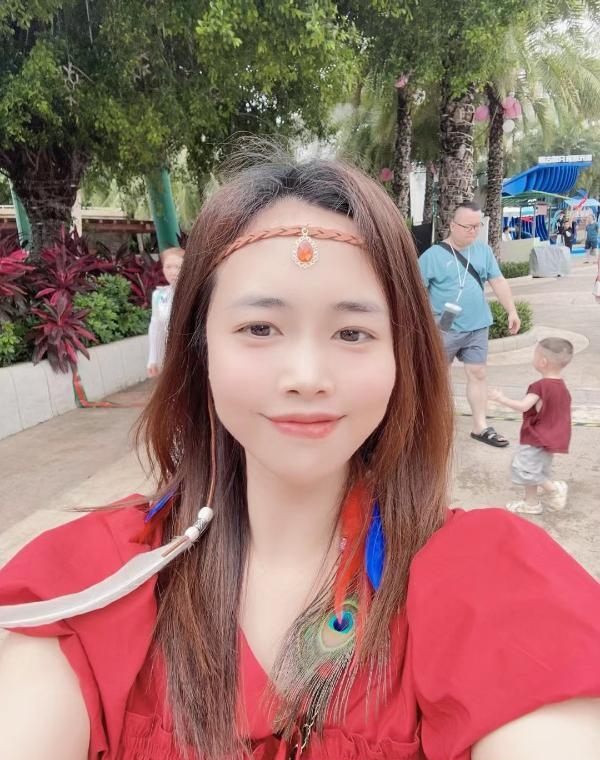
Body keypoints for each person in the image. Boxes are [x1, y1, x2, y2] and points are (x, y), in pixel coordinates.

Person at [1, 150, 600, 760]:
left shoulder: (488, 583)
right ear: (199, 349)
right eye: (260, 328)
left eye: (352, 333)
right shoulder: (93, 584)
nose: (307, 377)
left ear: (402, 355)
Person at [419, 201, 521, 447]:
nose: (474, 232)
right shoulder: (432, 256)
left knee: (478, 373)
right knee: (437, 378)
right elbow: (416, 293)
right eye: (468, 226)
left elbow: (498, 281)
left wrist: (511, 310)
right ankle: (430, 426)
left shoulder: (483, 251)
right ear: (453, 225)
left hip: (477, 325)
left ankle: (480, 426)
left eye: (478, 226)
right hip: (443, 329)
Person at [488, 338, 573, 515]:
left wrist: (500, 398)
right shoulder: (562, 386)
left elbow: (523, 406)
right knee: (537, 469)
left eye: (535, 354)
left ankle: (554, 489)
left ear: (543, 362)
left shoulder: (540, 386)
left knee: (524, 468)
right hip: (550, 438)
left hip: (536, 437)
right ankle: (531, 504)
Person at [147, 246, 185, 377]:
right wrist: (153, 360)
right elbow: (155, 327)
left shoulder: (196, 294)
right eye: (168, 267)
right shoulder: (159, 295)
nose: (173, 272)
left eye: (178, 267)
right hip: (172, 357)